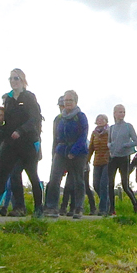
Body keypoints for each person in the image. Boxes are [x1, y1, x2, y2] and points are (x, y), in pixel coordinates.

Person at [0, 69, 43, 216]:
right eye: (11, 78)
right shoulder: (9, 100)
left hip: (28, 142)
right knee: (14, 173)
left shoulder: (29, 97)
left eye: (16, 78)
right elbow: (8, 123)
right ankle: (19, 207)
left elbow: (34, 118)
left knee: (32, 175)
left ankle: (38, 208)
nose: (13, 81)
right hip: (13, 144)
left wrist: (21, 131)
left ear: (23, 80)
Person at [44, 90, 88, 219]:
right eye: (65, 100)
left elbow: (83, 135)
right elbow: (56, 137)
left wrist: (73, 151)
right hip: (61, 151)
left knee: (78, 180)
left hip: (78, 152)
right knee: (54, 179)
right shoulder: (59, 118)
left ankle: (78, 208)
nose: (67, 103)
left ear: (75, 102)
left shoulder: (80, 116)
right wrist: (55, 153)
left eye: (70, 100)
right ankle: (52, 207)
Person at [106, 104, 137, 214]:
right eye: (120, 112)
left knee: (125, 184)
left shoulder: (128, 126)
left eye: (123, 112)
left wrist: (127, 144)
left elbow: (136, 141)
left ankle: (135, 204)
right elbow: (109, 142)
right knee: (110, 183)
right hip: (113, 157)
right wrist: (109, 145)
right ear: (114, 113)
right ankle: (111, 209)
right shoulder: (111, 128)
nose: (122, 114)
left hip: (124, 157)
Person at [88, 114, 111, 216]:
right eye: (98, 119)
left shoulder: (110, 132)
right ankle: (107, 202)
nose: (100, 121)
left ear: (106, 121)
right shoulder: (94, 133)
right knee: (96, 184)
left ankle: (103, 209)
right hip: (97, 161)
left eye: (102, 119)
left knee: (103, 184)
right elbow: (91, 147)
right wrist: (86, 160)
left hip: (107, 161)